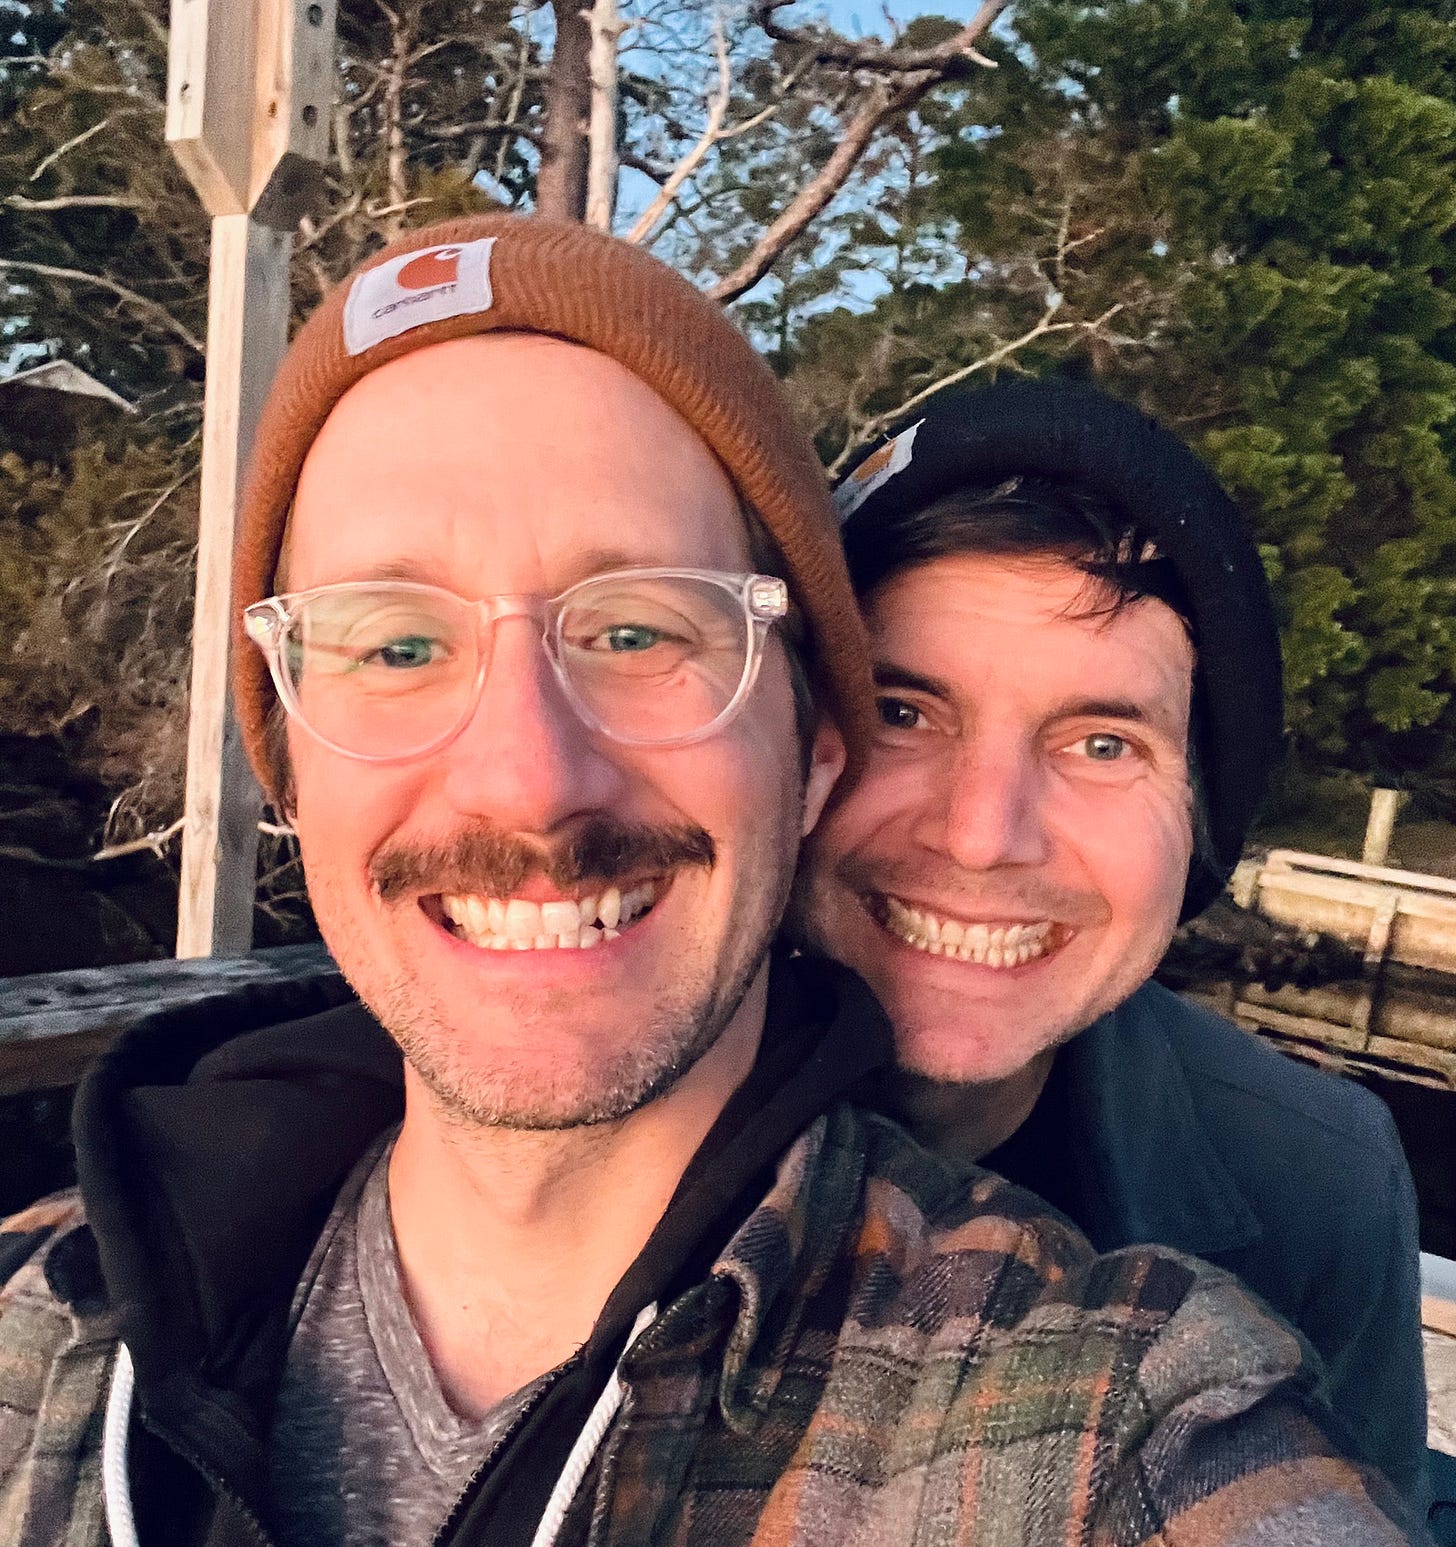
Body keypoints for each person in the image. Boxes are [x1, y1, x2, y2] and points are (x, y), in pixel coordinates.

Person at [0, 220, 1432, 1547]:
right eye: (393, 643)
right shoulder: (49, 1321)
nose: (528, 776)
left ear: (797, 749)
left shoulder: (1163, 1363)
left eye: (635, 629)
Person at [795, 376, 1429, 1505]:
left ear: (1197, 824)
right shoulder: (580, 1076)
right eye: (902, 711)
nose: (982, 834)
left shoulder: (1316, 1177)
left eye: (1100, 743)